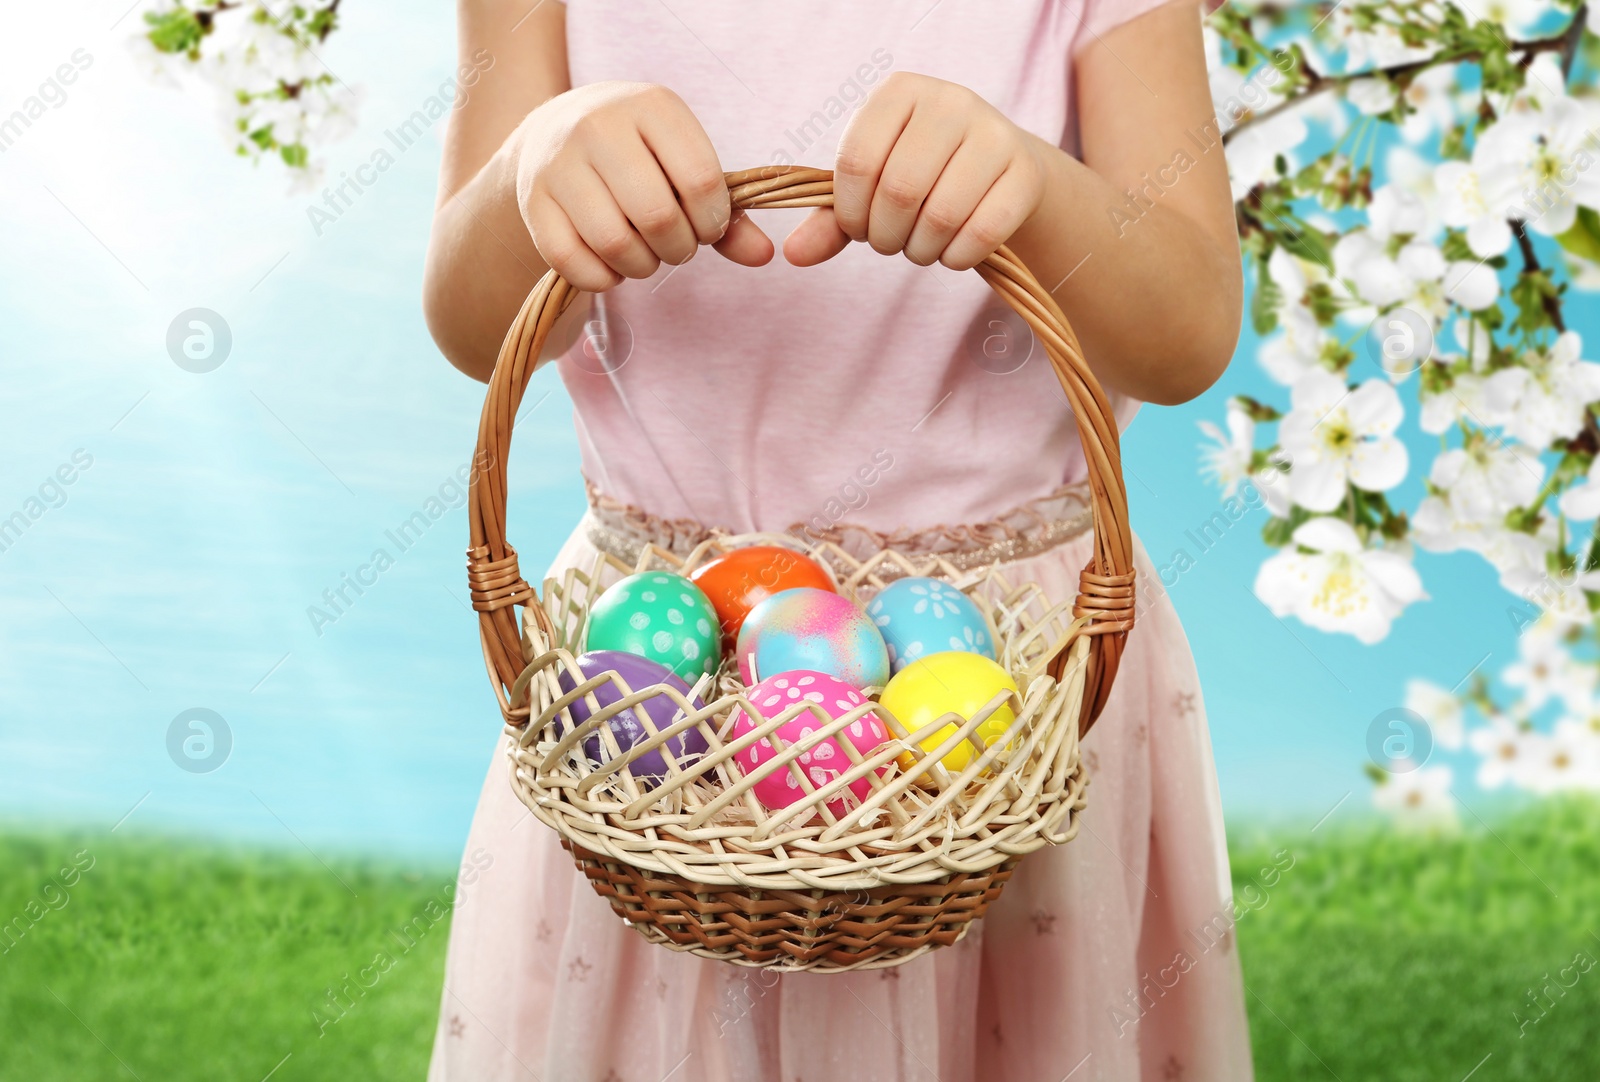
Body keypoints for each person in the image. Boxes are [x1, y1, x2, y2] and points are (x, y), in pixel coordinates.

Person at [423, 1, 1250, 1078]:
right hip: (658, 701)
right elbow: (472, 323)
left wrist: (1037, 190)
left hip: (1007, 682)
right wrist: (532, 169)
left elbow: (1185, 332)